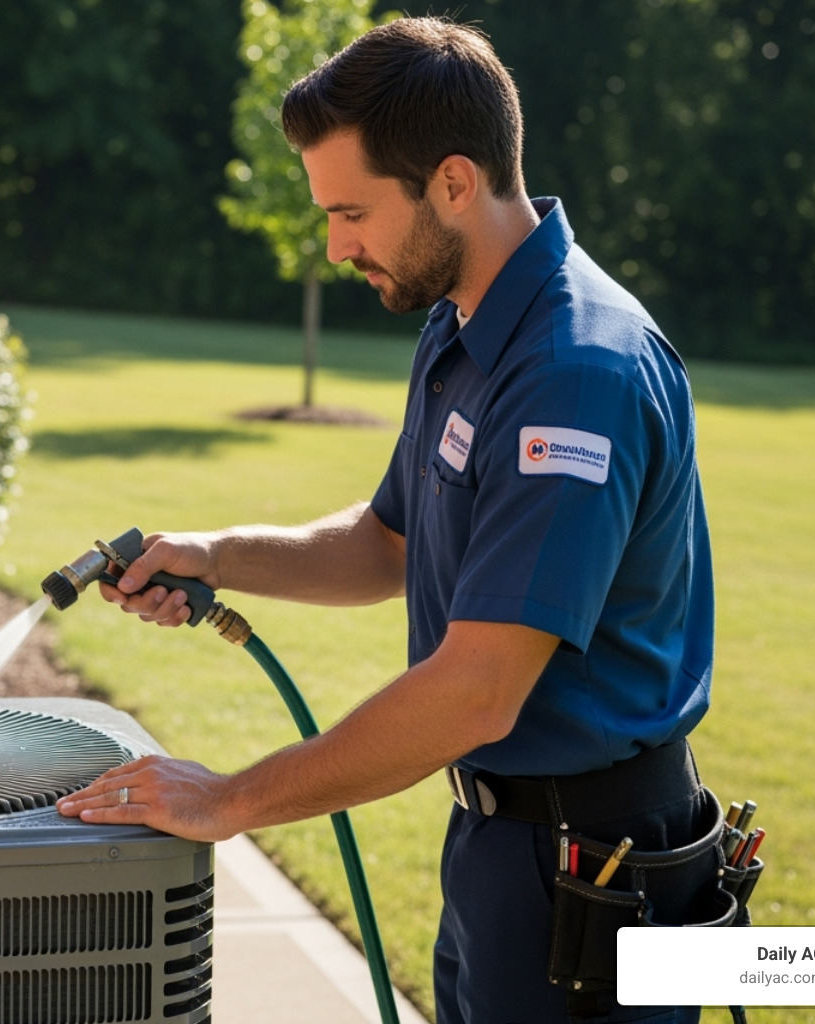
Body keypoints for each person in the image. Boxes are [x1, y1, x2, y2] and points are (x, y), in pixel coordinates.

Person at [56, 14, 717, 1024]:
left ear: (453, 182)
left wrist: (228, 798)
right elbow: (389, 542)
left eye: (353, 211)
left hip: (598, 874)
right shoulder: (463, 323)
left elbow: (475, 694)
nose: (336, 245)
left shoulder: (575, 374)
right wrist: (215, 555)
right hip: (506, 849)